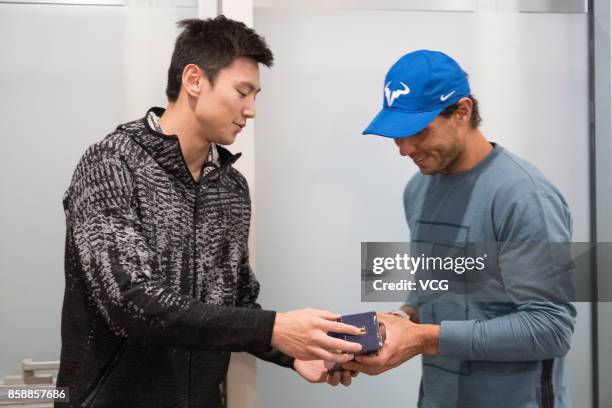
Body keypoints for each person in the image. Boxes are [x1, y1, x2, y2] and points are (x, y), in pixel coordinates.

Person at [56, 16, 361, 408]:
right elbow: (130, 303)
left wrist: (293, 352)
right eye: (242, 92)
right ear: (194, 80)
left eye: (256, 96)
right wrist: (275, 329)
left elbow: (235, 305)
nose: (250, 110)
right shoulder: (111, 164)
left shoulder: (231, 188)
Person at [345, 50, 576, 407]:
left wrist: (422, 339)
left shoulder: (524, 197)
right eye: (396, 135)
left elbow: (551, 329)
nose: (405, 149)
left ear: (462, 111)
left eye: (418, 132)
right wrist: (399, 321)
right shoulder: (418, 190)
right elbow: (438, 289)